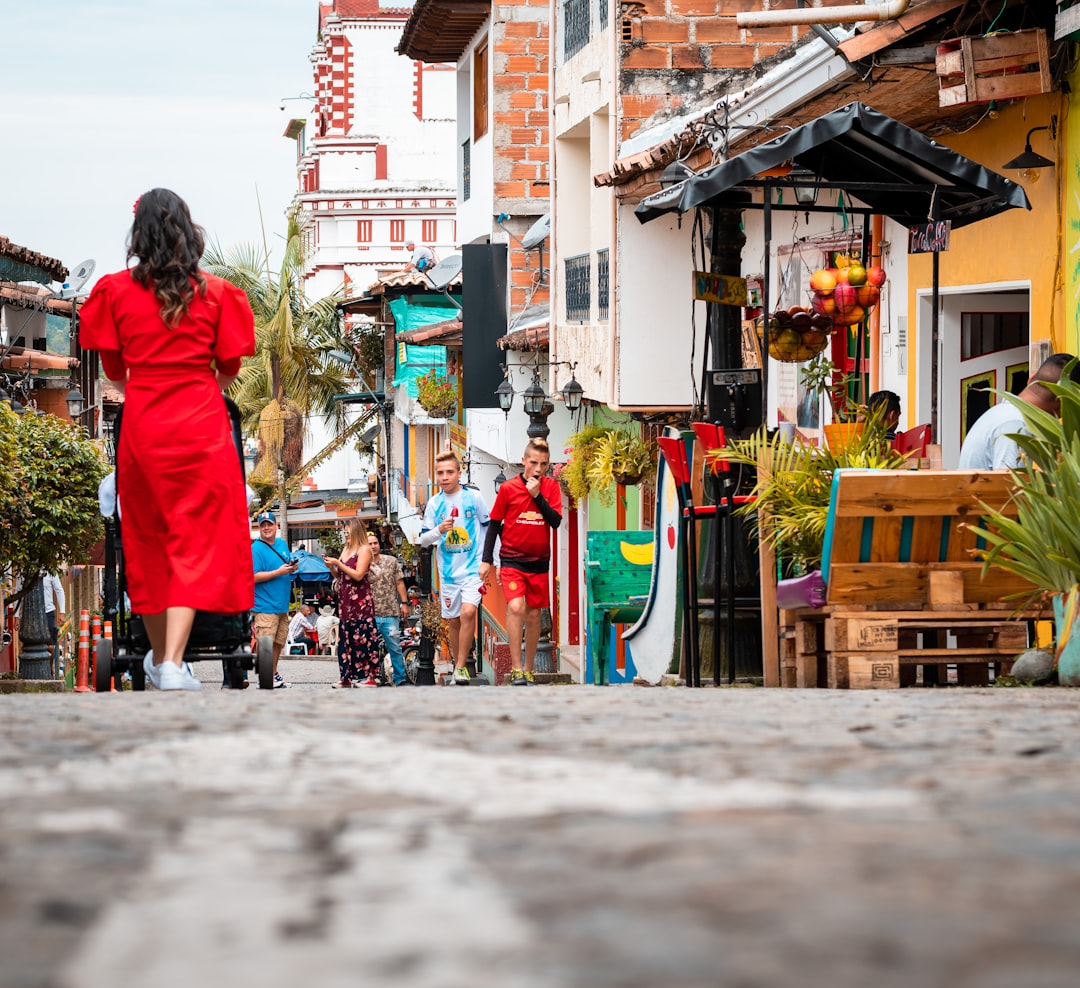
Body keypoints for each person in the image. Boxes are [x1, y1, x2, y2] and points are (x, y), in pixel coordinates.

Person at [79, 188, 256, 692]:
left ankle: (165, 658)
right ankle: (171, 662)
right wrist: (194, 387)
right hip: (201, 424)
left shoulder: (114, 292)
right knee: (194, 540)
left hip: (144, 423)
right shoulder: (217, 294)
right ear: (188, 231)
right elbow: (229, 368)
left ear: (139, 234)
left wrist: (150, 387)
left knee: (147, 539)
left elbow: (114, 370)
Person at [481, 439, 562, 686]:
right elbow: (494, 523)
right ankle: (516, 668)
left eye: (544, 464)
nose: (538, 469)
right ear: (523, 461)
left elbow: (555, 521)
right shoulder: (507, 489)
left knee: (535, 615)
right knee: (516, 607)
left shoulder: (551, 488)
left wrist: (537, 497)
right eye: (534, 462)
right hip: (512, 560)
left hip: (539, 563)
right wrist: (486, 561)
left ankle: (528, 669)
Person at [420, 451, 490, 685]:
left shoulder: (474, 498)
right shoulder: (434, 504)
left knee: (469, 612)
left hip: (472, 569)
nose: (445, 477)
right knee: (453, 621)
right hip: (448, 573)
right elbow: (423, 540)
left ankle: (461, 666)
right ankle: (458, 663)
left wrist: (489, 561)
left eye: (450, 472)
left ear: (459, 473)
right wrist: (439, 529)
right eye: (440, 473)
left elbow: (489, 527)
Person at [958, 354, 1079, 470]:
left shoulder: (1003, 413)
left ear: (1031, 379)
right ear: (1065, 400)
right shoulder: (1016, 424)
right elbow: (1010, 485)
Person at [324, 518, 382, 687]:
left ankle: (370, 677)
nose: (345, 534)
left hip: (360, 601)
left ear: (355, 531)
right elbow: (341, 576)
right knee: (346, 638)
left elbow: (358, 575)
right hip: (345, 601)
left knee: (363, 636)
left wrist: (337, 563)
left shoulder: (364, 550)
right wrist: (331, 567)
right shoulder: (346, 549)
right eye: (344, 532)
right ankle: (346, 677)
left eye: (347, 531)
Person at [252, 510, 299, 688]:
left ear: (276, 526)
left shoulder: (281, 544)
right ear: (259, 528)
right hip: (265, 605)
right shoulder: (256, 548)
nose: (266, 528)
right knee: (265, 643)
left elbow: (285, 564)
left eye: (269, 524)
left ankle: (273, 674)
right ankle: (265, 680)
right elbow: (252, 576)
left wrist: (292, 568)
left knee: (279, 642)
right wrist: (279, 572)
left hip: (282, 605)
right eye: (263, 525)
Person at [367, 531, 412, 686]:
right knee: (368, 649)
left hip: (390, 612)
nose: (373, 546)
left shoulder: (391, 561)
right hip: (369, 613)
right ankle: (371, 678)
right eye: (370, 544)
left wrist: (404, 603)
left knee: (395, 648)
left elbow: (399, 582)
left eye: (375, 543)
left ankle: (400, 679)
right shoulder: (361, 564)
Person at [42, 571, 66, 675]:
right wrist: (16, 616)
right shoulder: (26, 570)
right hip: (32, 612)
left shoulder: (50, 571)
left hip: (48, 612)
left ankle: (49, 669)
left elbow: (59, 590)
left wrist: (62, 612)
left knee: (50, 646)